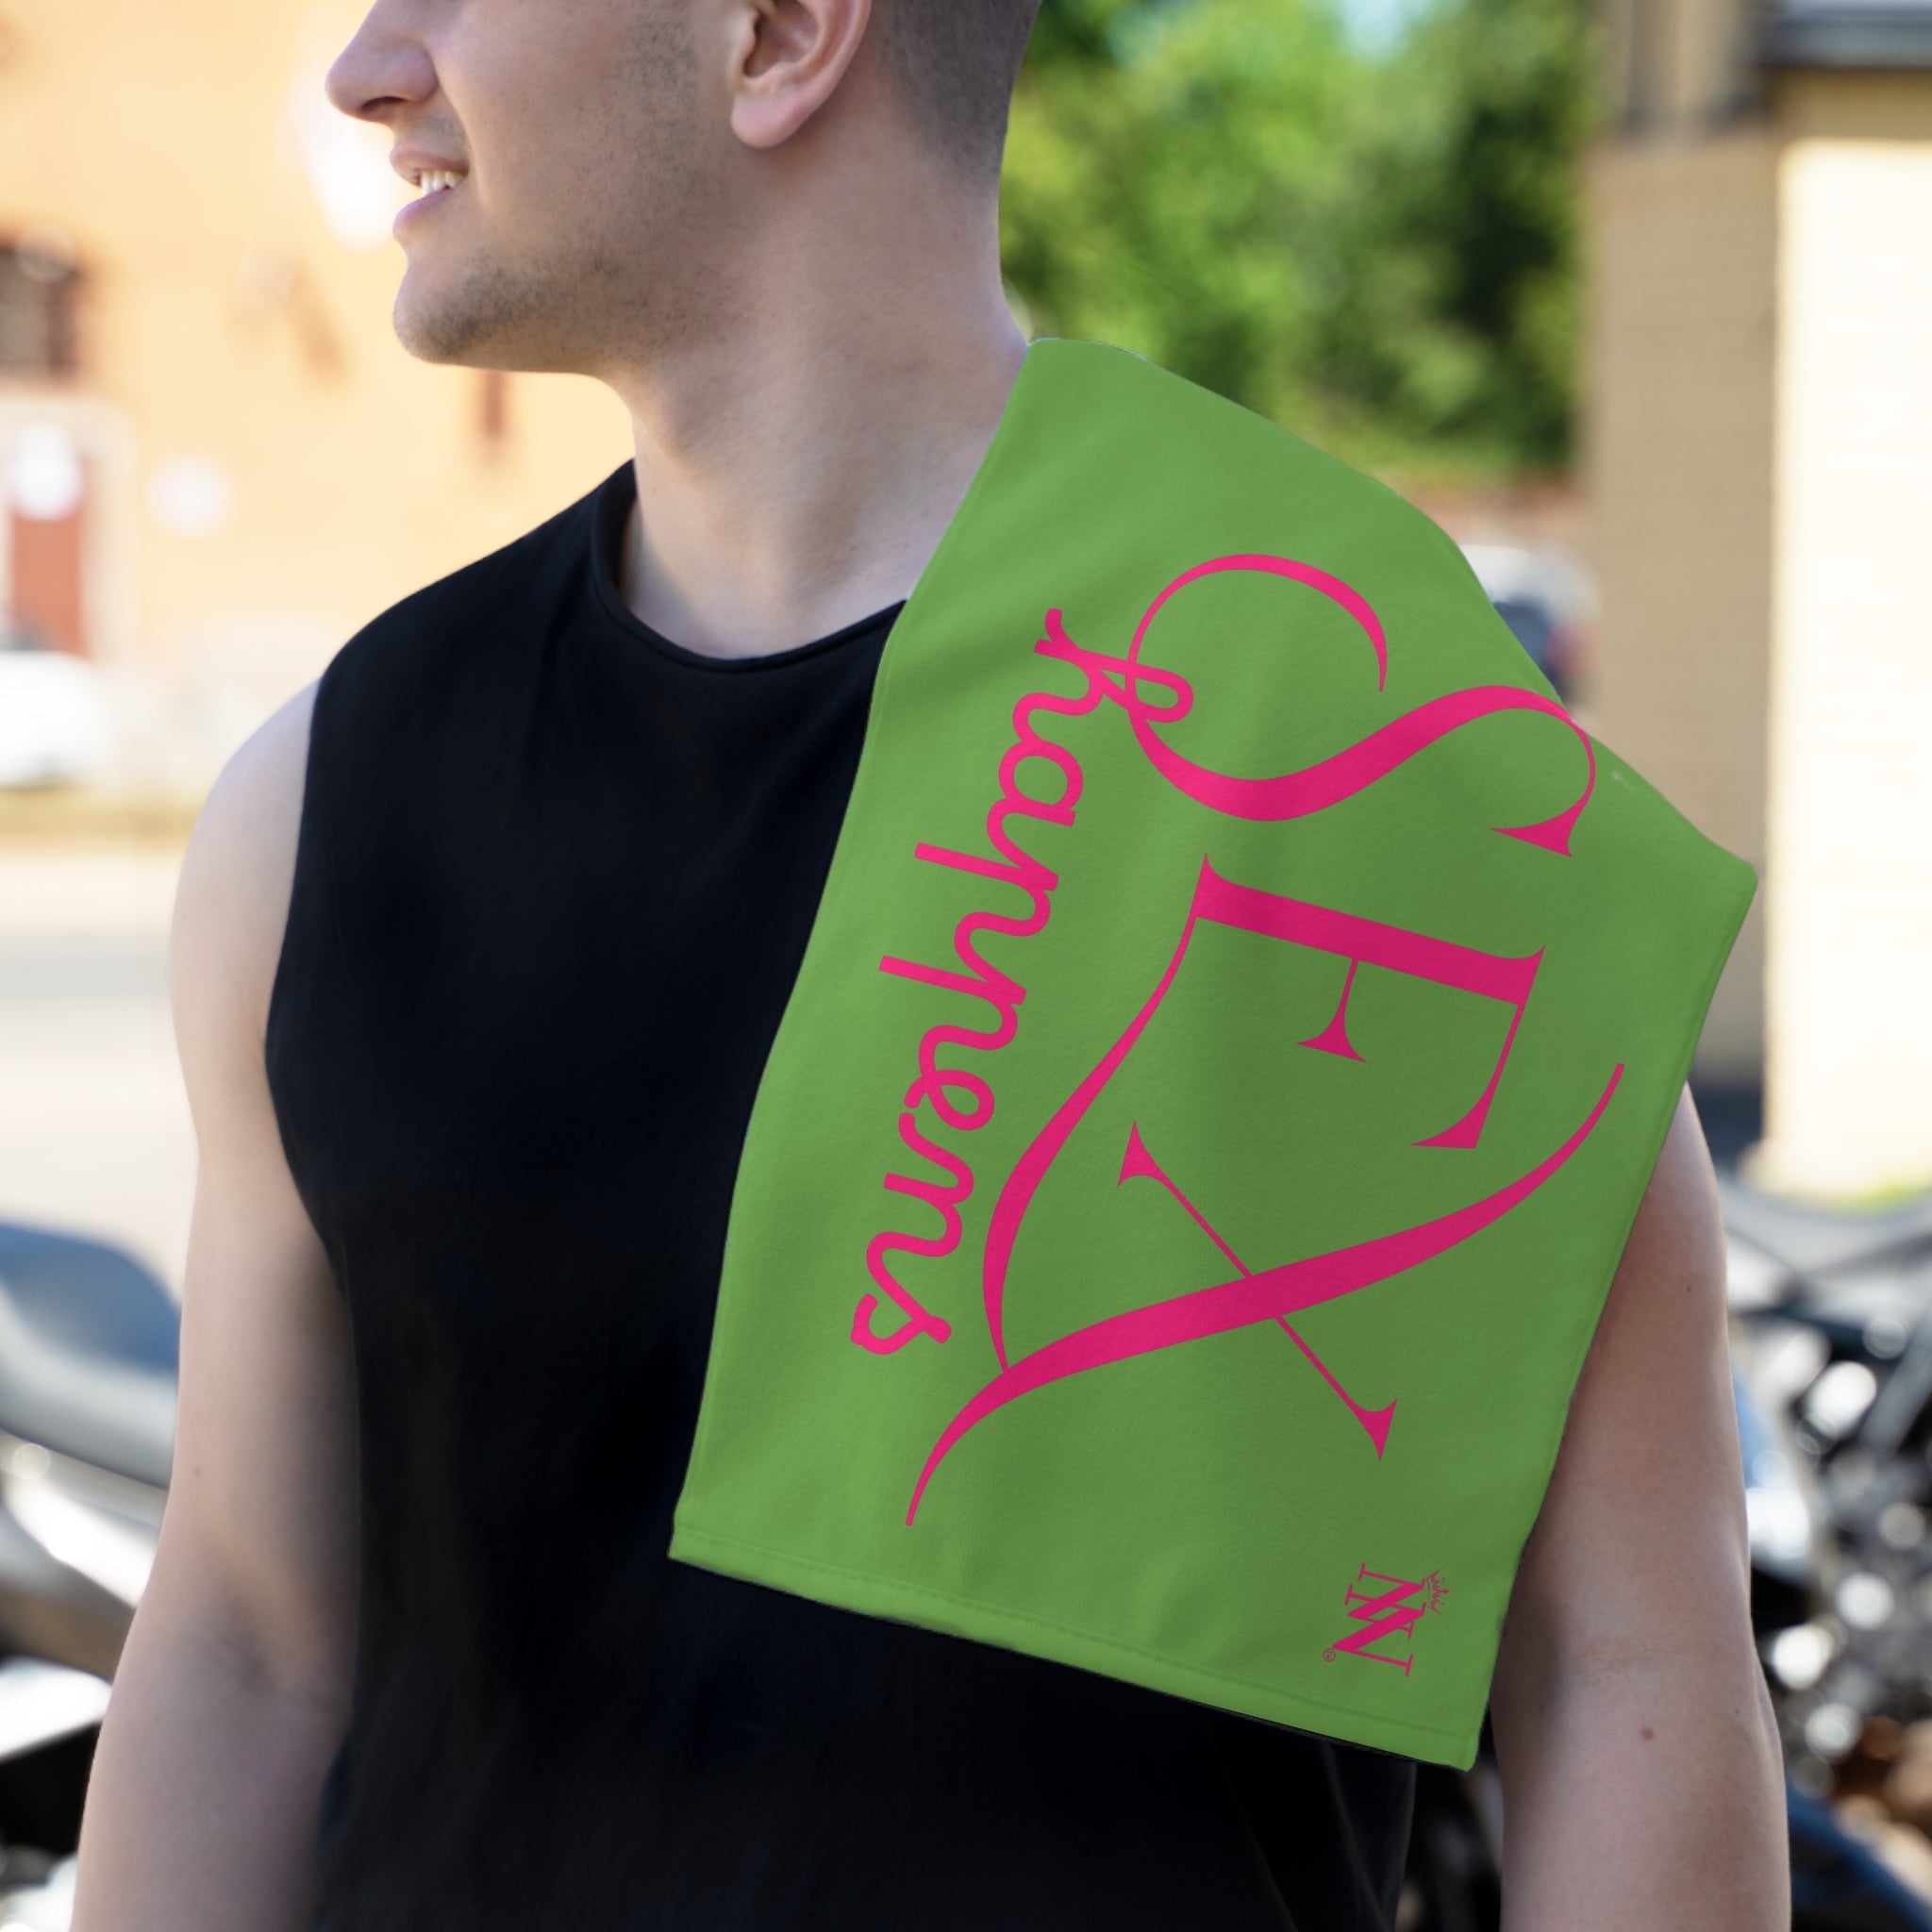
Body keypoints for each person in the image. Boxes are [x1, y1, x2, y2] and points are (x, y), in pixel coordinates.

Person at [70, 0, 1790, 1926]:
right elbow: (245, 1650)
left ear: (779, 35)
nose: (371, 65)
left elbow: (1621, 1675)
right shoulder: (327, 802)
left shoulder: (1366, 742)